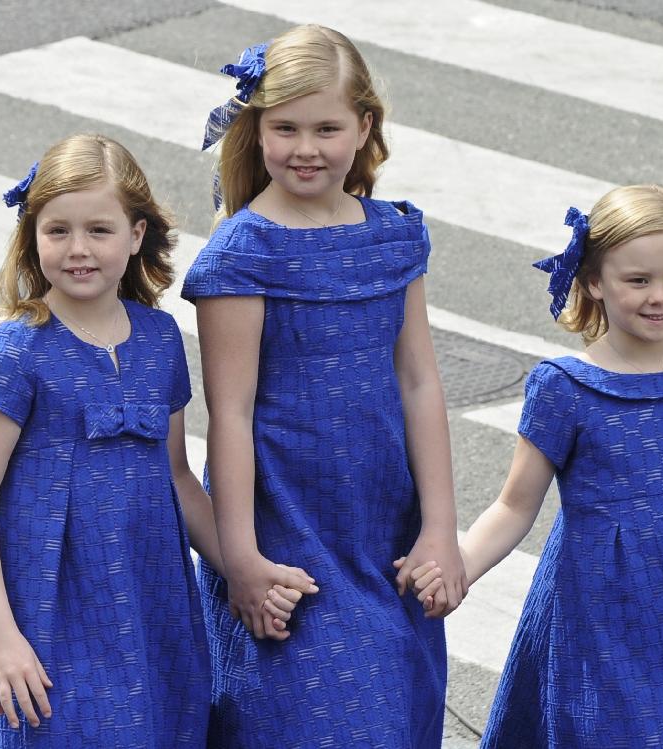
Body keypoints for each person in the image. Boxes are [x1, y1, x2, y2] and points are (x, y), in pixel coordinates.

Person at [0, 133, 312, 748]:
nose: (78, 249)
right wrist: (0, 636)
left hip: (144, 598)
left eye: (99, 230)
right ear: (33, 236)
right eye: (57, 231)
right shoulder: (19, 349)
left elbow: (178, 478)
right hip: (40, 606)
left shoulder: (160, 340)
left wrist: (241, 569)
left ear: (137, 236)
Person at [405, 185, 663, 747]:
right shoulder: (565, 387)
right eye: (638, 280)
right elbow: (513, 506)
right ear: (594, 280)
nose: (660, 296)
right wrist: (457, 572)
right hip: (599, 612)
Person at [183, 25, 467, 748]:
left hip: (382, 528)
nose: (305, 147)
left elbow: (419, 381)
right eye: (285, 128)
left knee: (398, 710)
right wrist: (240, 558)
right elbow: (232, 415)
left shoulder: (395, 236)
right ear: (257, 127)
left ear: (364, 125)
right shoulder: (243, 254)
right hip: (286, 532)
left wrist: (439, 528)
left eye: (327, 127)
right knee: (317, 718)